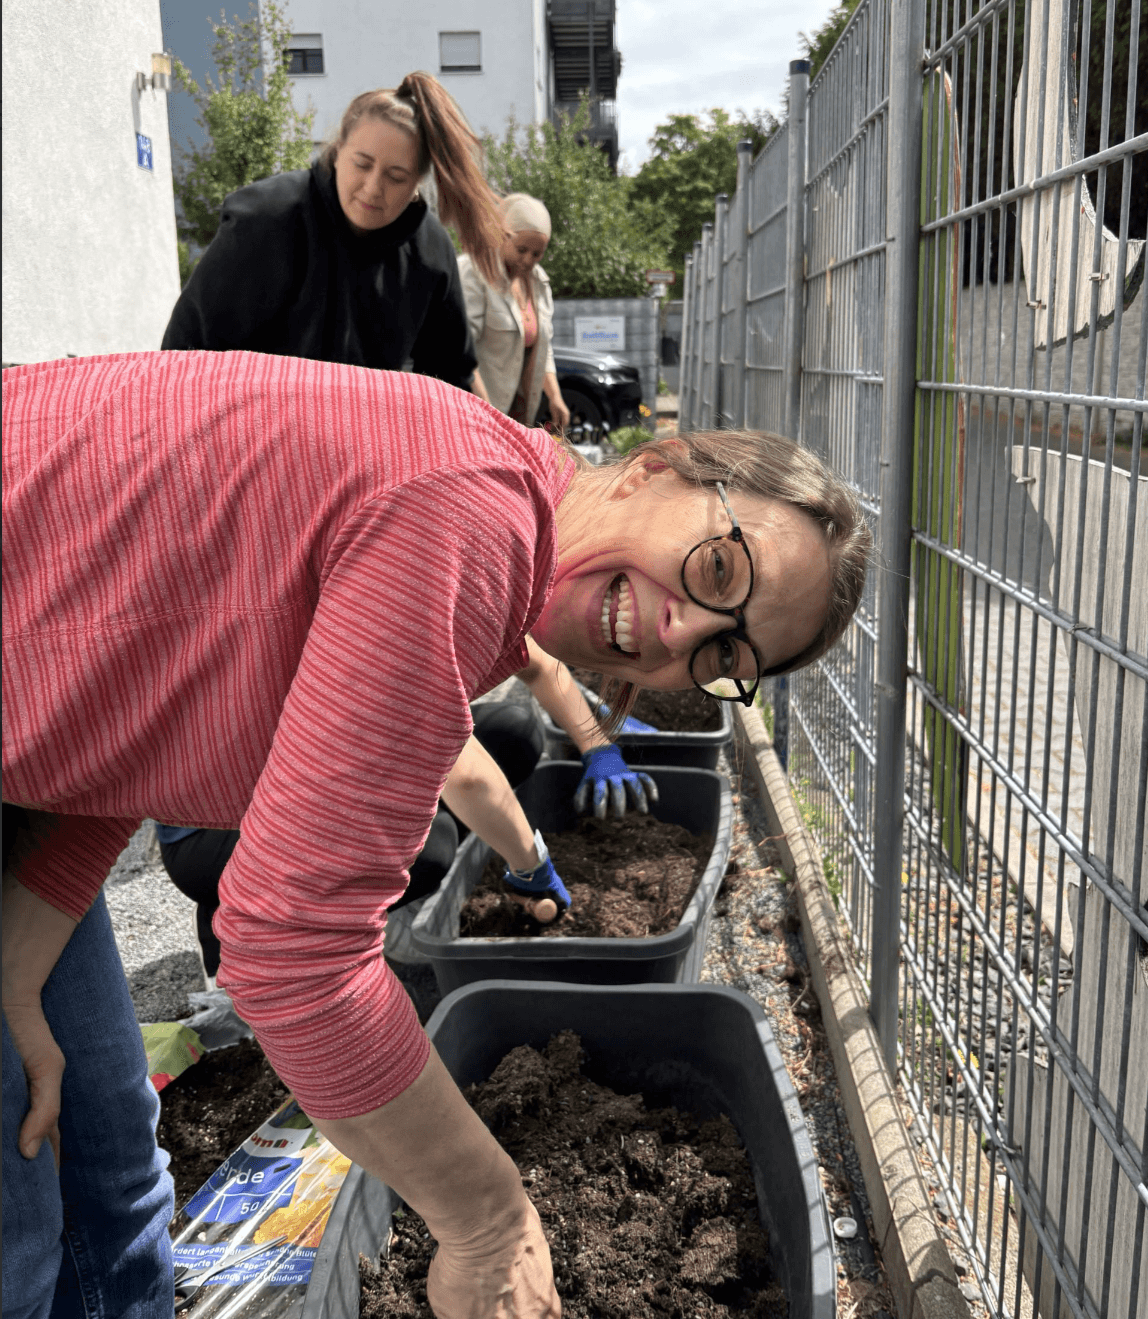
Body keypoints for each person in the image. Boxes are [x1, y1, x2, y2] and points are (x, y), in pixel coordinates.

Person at [2, 350, 871, 1318]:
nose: (677, 632)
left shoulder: (484, 511)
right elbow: (293, 954)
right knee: (17, 1240)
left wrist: (17, 969)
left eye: (721, 652)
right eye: (716, 567)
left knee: (105, 1157)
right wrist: (490, 1224)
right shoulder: (467, 510)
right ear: (653, 466)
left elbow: (114, 723)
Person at [162, 72, 504, 387]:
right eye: (362, 164)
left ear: (417, 182)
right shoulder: (263, 220)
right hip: (250, 441)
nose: (372, 187)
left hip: (363, 447)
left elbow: (450, 380)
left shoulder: (432, 252)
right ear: (338, 151)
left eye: (396, 176)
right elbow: (185, 357)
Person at [461, 194, 571, 429]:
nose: (528, 260)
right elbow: (461, 352)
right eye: (521, 250)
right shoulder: (475, 274)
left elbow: (544, 347)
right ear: (503, 236)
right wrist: (488, 413)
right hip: (477, 415)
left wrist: (555, 397)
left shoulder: (539, 283)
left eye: (537, 254)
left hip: (518, 416)